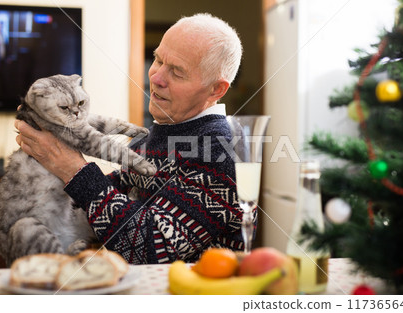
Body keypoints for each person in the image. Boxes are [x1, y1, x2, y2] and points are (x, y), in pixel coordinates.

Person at [15, 13, 248, 264]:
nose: (156, 77)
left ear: (216, 89)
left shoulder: (220, 149)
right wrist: (53, 151)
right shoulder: (155, 134)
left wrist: (72, 168)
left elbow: (149, 249)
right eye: (158, 59)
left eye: (177, 72)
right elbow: (112, 198)